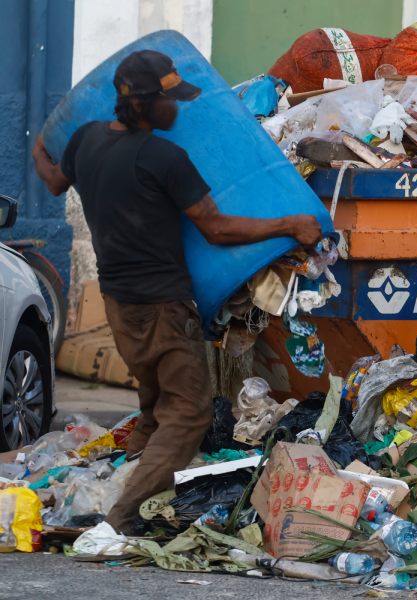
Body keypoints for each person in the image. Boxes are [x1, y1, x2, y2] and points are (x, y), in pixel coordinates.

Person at [31, 50, 322, 534]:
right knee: (188, 413)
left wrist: (42, 144)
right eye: (170, 100)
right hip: (165, 307)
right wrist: (290, 223)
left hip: (120, 307)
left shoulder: (84, 142)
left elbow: (53, 178)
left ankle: (114, 482)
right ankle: (120, 519)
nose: (178, 108)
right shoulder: (164, 157)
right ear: (144, 105)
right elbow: (217, 229)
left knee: (153, 407)